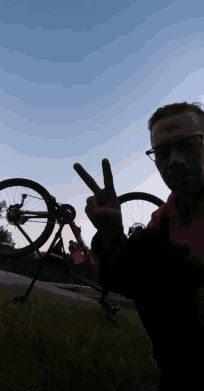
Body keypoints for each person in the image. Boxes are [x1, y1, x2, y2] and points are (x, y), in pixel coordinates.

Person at [73, 102, 204, 391]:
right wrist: (110, 232)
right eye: (162, 152)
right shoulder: (171, 210)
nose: (175, 160)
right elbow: (126, 276)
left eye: (188, 145)